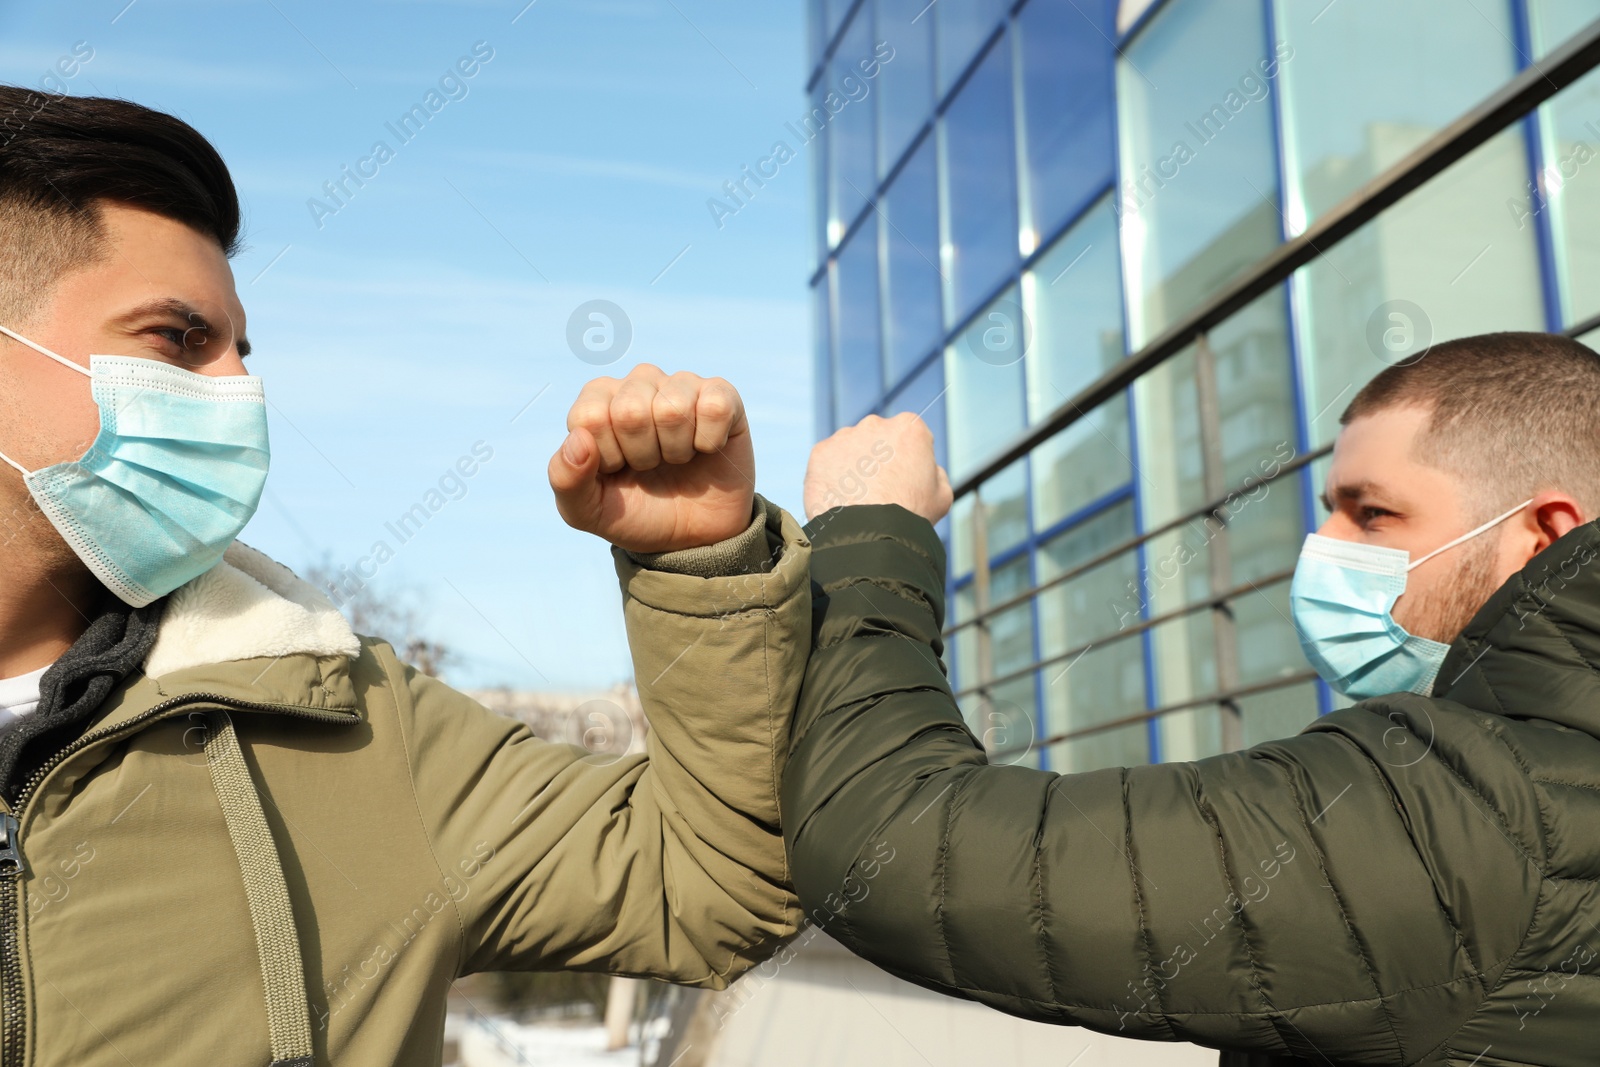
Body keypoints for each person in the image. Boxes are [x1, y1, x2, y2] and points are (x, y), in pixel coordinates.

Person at [0, 88, 828, 1066]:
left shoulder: (348, 718)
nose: (239, 390)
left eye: (239, 350)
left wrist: (700, 560)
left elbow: (711, 880)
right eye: (180, 340)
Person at [784, 333, 1600, 1065]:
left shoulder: (1477, 821)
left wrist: (873, 527)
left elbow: (889, 843)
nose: (1325, 553)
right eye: (1331, 515)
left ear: (1547, 537)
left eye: (1374, 513)